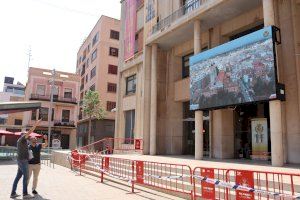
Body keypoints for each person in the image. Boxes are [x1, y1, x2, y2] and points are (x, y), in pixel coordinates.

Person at [10, 119, 41, 199]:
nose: (28, 137)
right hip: (23, 161)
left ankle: (13, 193)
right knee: (26, 177)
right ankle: (25, 194)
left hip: (21, 160)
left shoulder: (22, 142)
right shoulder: (22, 139)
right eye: (26, 135)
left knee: (18, 177)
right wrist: (36, 123)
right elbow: (30, 131)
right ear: (23, 135)